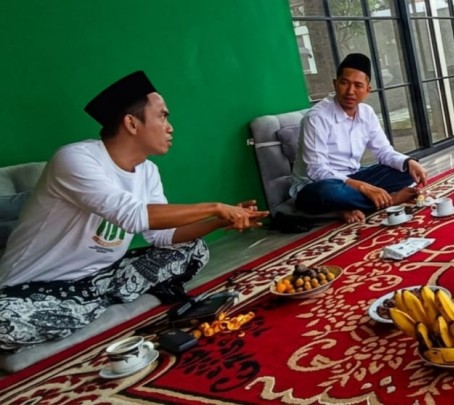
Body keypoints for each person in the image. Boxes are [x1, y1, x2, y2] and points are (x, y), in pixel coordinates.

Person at [0, 71, 267, 351]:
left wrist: (218, 220)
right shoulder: (75, 158)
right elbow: (133, 216)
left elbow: (162, 236)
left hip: (102, 278)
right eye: (162, 117)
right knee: (5, 320)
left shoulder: (147, 171)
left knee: (193, 249)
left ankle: (91, 306)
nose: (170, 127)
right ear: (131, 123)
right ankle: (101, 303)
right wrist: (215, 206)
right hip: (33, 287)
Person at [291, 53, 427, 224]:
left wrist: (409, 162)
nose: (350, 91)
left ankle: (346, 206)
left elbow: (384, 152)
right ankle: (389, 200)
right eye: (344, 83)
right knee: (328, 192)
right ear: (335, 83)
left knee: (407, 171)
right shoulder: (317, 118)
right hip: (317, 185)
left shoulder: (367, 113)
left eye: (358, 85)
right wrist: (363, 187)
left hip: (354, 177)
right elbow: (317, 170)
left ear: (368, 90)